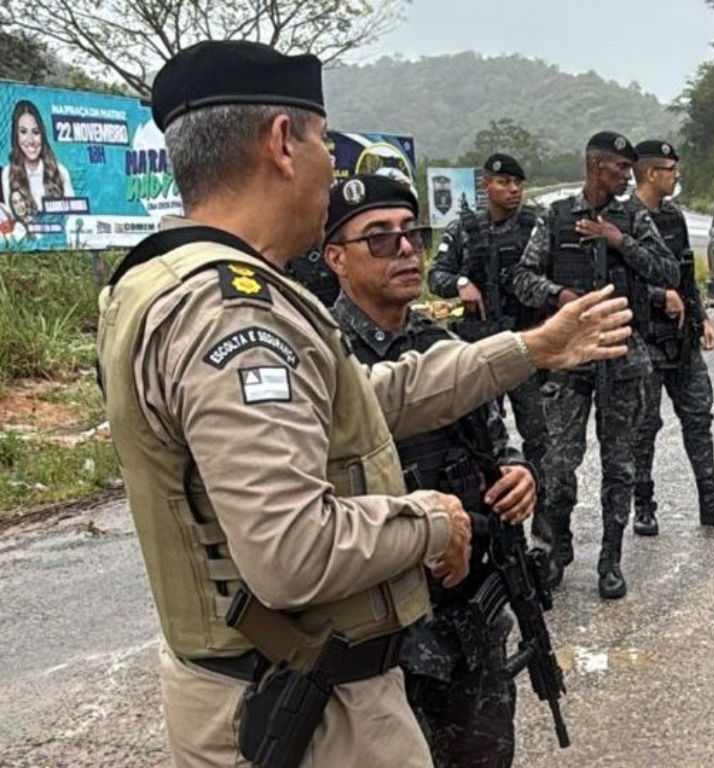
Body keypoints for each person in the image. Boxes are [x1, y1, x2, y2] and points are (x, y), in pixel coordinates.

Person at [96, 41, 631, 768]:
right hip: (306, 713)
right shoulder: (234, 314)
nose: (330, 164)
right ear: (282, 143)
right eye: (324, 141)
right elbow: (292, 549)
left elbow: (361, 400)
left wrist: (528, 349)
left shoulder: (167, 279)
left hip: (282, 689)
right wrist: (433, 521)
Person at [323, 174, 532, 768]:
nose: (406, 249)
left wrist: (518, 473)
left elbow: (493, 442)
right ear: (336, 258)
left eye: (412, 235)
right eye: (380, 239)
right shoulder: (326, 358)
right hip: (382, 635)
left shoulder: (442, 344)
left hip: (467, 621)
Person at [511, 131, 678, 599]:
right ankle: (558, 548)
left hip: (623, 357)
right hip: (571, 361)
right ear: (595, 166)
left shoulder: (633, 218)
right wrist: (559, 296)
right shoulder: (557, 218)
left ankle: (610, 559)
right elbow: (522, 276)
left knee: (619, 465)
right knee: (558, 464)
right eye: (619, 167)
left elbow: (668, 272)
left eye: (629, 168)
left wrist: (619, 241)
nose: (627, 175)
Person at [628, 139, 714, 534]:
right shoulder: (622, 219)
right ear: (650, 173)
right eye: (670, 169)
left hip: (681, 339)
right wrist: (657, 296)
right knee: (644, 426)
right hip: (643, 340)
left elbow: (684, 276)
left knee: (699, 417)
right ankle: (643, 505)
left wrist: (703, 317)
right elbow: (617, 283)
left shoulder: (674, 217)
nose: (676, 175)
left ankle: (711, 501)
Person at [429, 153, 550, 542]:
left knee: (540, 438)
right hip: (479, 351)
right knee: (480, 440)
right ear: (487, 185)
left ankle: (545, 516)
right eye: (504, 182)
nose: (513, 190)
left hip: (524, 348)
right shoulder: (464, 229)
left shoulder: (535, 227)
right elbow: (436, 275)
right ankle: (491, 523)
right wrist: (461, 282)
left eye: (517, 183)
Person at [2, 100, 73, 219]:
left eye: (35, 132)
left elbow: (73, 217)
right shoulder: (8, 173)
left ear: (42, 135)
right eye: (23, 132)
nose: (30, 140)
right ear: (16, 135)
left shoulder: (60, 171)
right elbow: (12, 219)